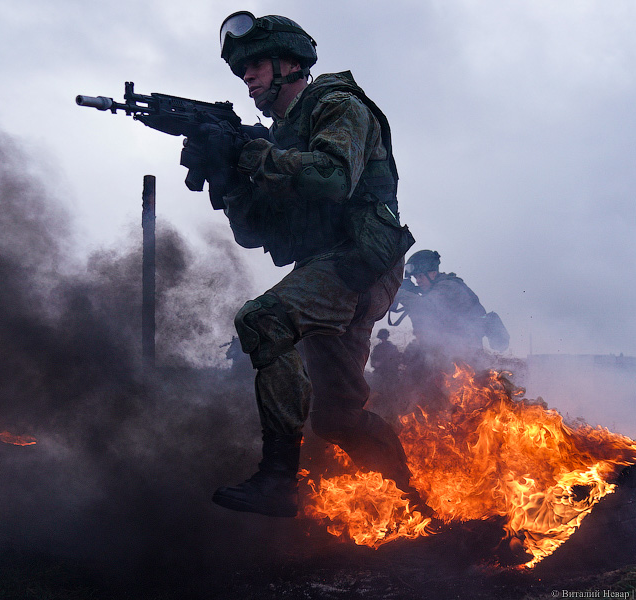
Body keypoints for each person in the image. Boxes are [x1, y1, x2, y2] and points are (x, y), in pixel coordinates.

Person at [188, 11, 419, 518]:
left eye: (255, 65)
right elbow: (254, 234)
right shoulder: (280, 138)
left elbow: (334, 177)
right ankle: (418, 510)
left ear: (290, 62)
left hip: (362, 262)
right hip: (332, 266)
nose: (247, 77)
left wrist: (252, 156)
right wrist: (226, 180)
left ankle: (277, 481)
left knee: (263, 318)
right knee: (336, 420)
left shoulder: (337, 106)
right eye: (240, 69)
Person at [392, 250, 509, 409]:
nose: (417, 281)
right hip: (449, 359)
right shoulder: (432, 291)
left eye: (420, 276)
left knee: (468, 406)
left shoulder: (449, 286)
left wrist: (402, 294)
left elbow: (428, 307)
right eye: (415, 277)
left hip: (465, 360)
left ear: (433, 273)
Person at [367, 329, 403, 420]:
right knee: (377, 395)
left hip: (391, 376)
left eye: (384, 337)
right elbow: (373, 362)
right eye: (381, 338)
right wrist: (376, 364)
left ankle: (392, 415)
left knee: (390, 396)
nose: (383, 339)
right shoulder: (377, 348)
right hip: (380, 376)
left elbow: (397, 361)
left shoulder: (392, 348)